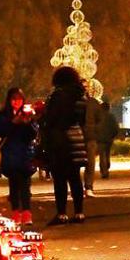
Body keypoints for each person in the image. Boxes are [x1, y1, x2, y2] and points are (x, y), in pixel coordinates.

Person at [40, 66, 90, 225]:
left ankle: (61, 213)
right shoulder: (81, 96)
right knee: (75, 177)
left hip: (60, 139)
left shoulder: (57, 95)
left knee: (60, 178)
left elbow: (52, 118)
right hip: (76, 137)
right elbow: (82, 119)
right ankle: (79, 212)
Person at [0, 87, 36, 223]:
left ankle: (27, 212)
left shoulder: (27, 113)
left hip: (25, 153)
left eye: (19, 99)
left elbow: (33, 133)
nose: (17, 102)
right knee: (14, 183)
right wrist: (12, 123)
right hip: (10, 153)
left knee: (25, 184)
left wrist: (27, 124)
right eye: (14, 99)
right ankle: (16, 211)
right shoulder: (4, 115)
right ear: (9, 100)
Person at [82, 90, 103, 196]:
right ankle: (76, 187)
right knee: (74, 164)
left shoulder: (93, 102)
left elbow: (100, 119)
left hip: (91, 137)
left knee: (90, 163)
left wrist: (95, 129)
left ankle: (88, 186)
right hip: (77, 136)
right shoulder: (75, 102)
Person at [97, 100, 120, 180]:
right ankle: (106, 167)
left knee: (102, 155)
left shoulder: (98, 117)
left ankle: (104, 171)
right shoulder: (111, 117)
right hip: (109, 139)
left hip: (100, 139)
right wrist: (113, 136)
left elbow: (95, 127)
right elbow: (116, 128)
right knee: (107, 155)